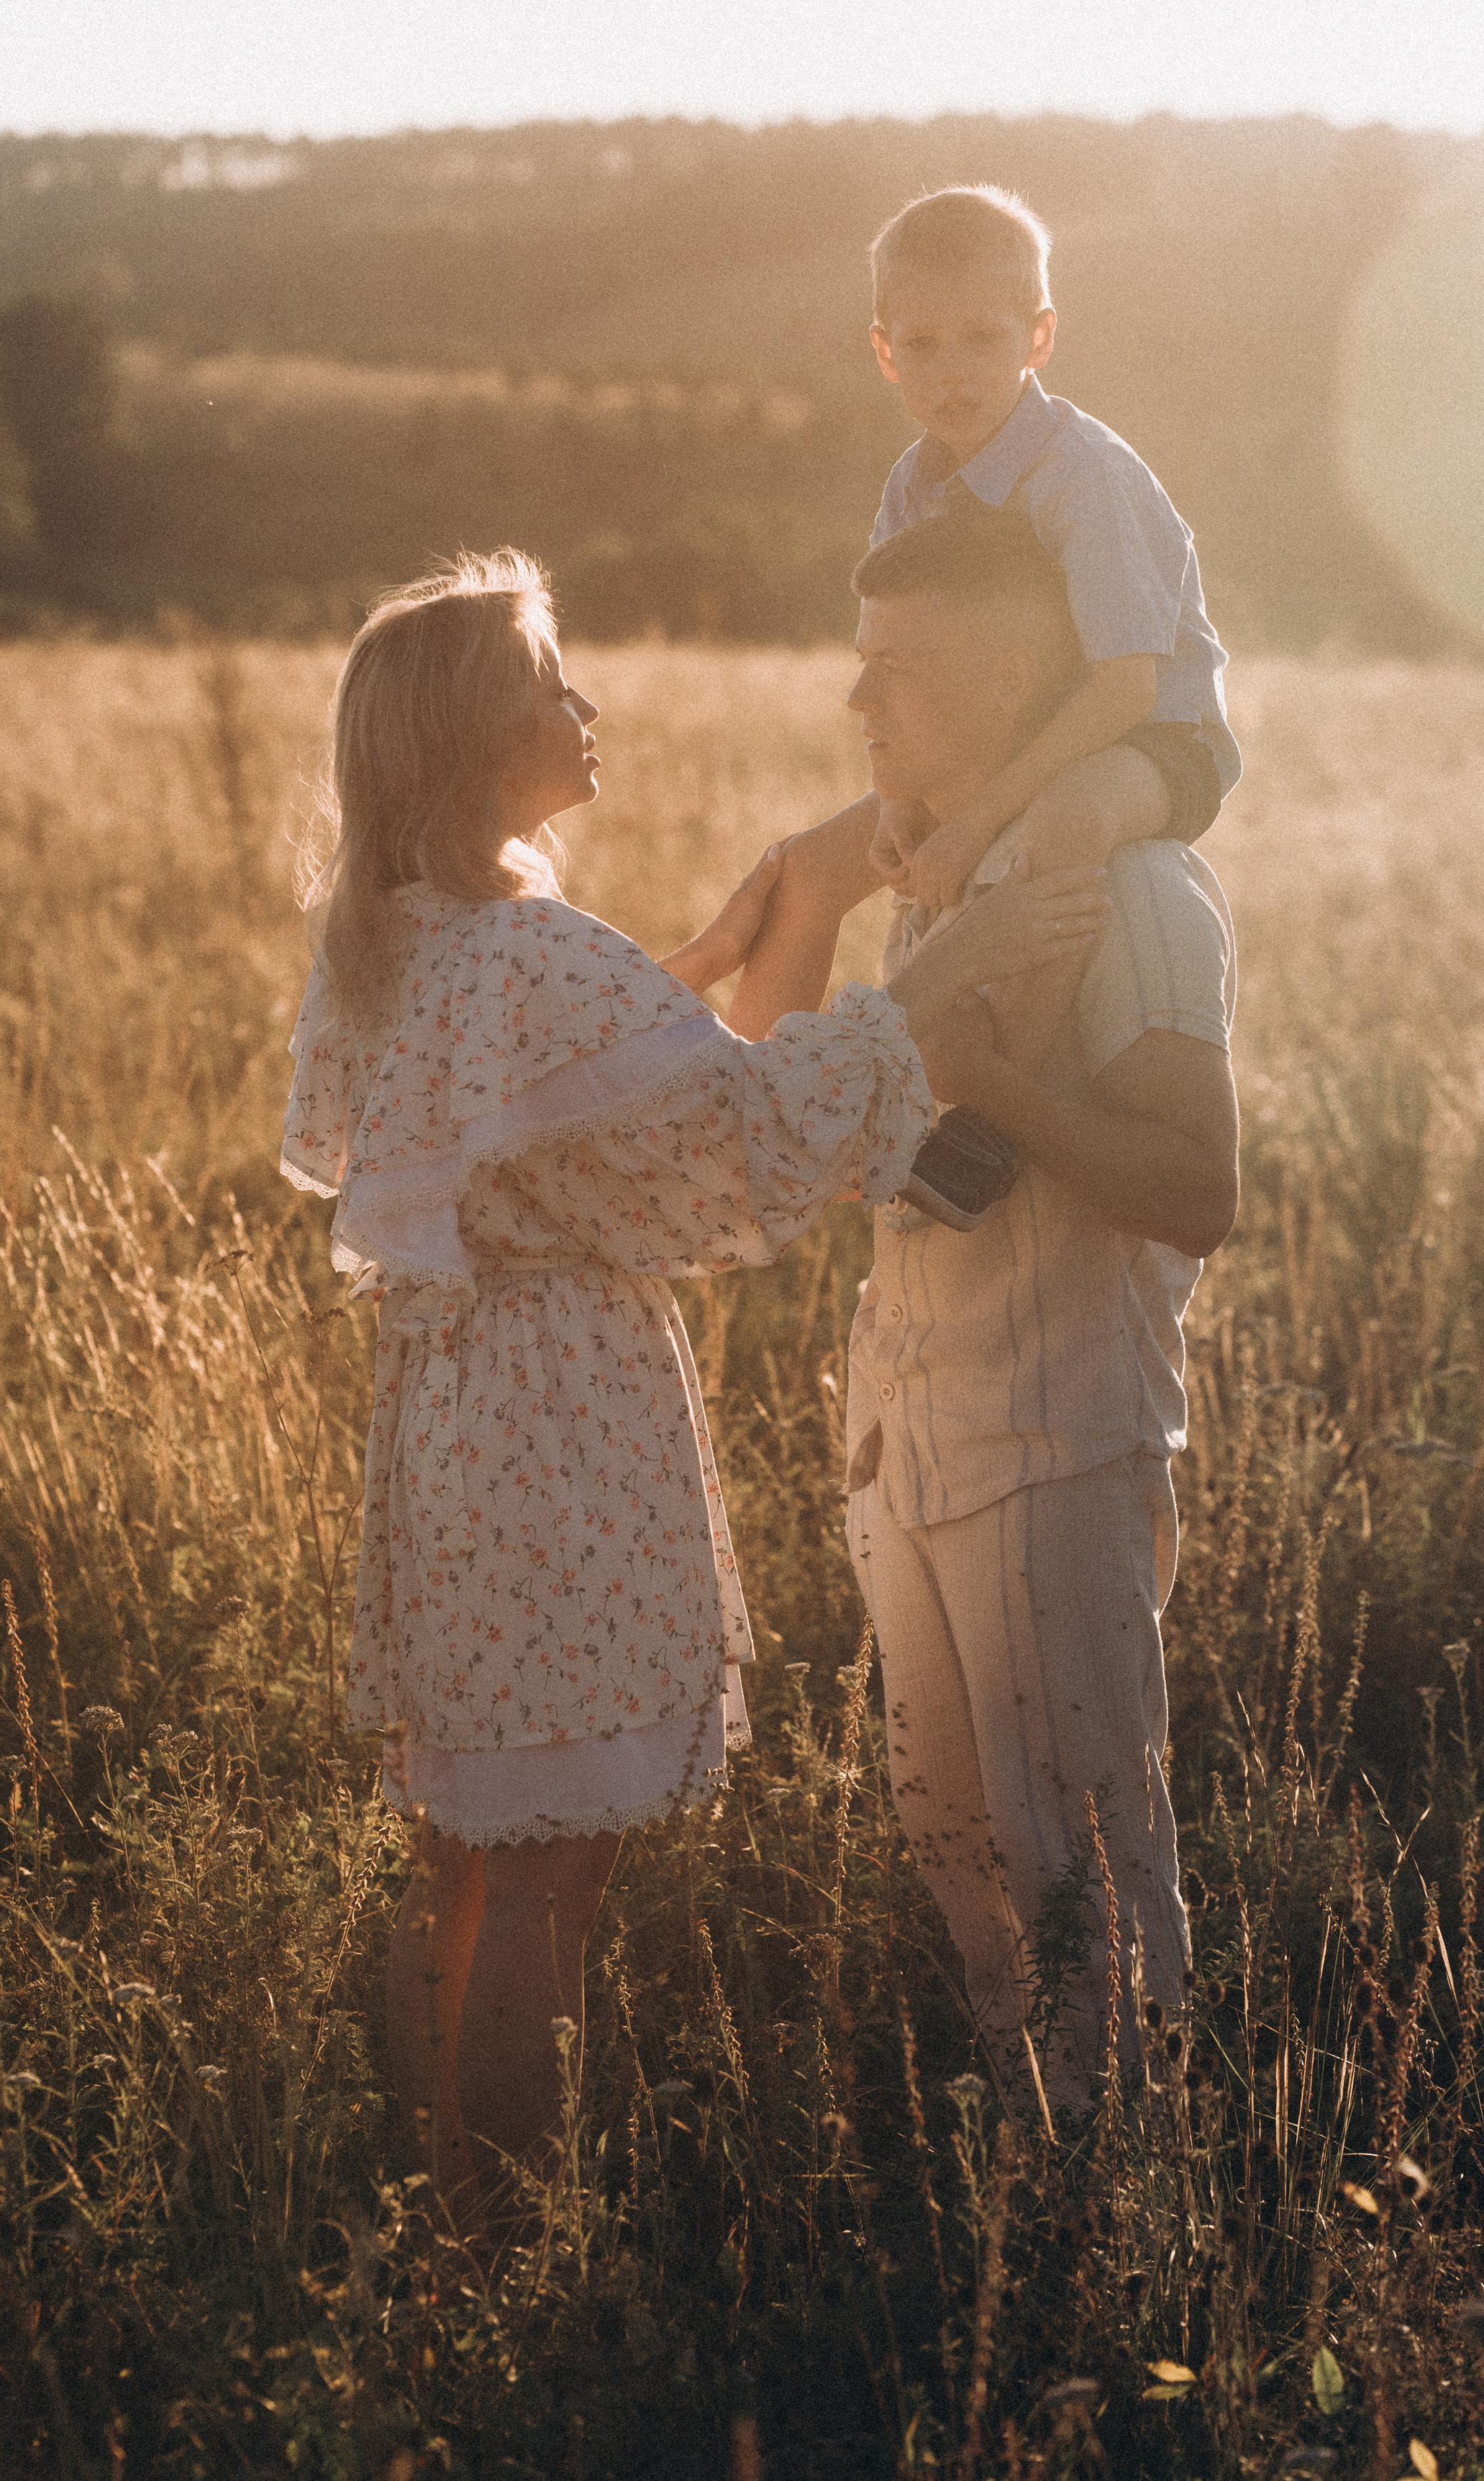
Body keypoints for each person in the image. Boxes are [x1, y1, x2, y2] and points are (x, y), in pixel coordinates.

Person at [280, 548, 1109, 2217]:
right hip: (556, 1434)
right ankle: (507, 2249)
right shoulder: (529, 949)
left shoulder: (407, 937)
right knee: (544, 1880)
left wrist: (773, 910)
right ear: (461, 739)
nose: (582, 704)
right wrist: (946, 971)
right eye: (544, 683)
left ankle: (454, 2229)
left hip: (453, 1426)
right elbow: (743, 1135)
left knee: (469, 1850)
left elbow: (604, 1097)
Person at [745, 504, 1240, 2121]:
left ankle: (1120, 2220)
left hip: (1052, 1433)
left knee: (1083, 1856)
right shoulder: (946, 894)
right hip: (911, 1430)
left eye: (897, 668)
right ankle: (1030, 2194)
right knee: (956, 1848)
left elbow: (1194, 1190)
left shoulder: (1134, 894)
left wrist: (996, 1086)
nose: (858, 703)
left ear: (1017, 669)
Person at [728, 183, 1238, 1042]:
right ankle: (749, 1117)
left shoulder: (1084, 478)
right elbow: (898, 652)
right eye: (922, 345)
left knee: (1064, 824)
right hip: (998, 736)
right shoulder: (911, 483)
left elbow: (1125, 687)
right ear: (884, 353)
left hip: (1151, 739)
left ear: (1037, 337)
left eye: (981, 340)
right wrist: (899, 799)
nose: (950, 371)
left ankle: (1000, 1100)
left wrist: (970, 823)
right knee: (808, 872)